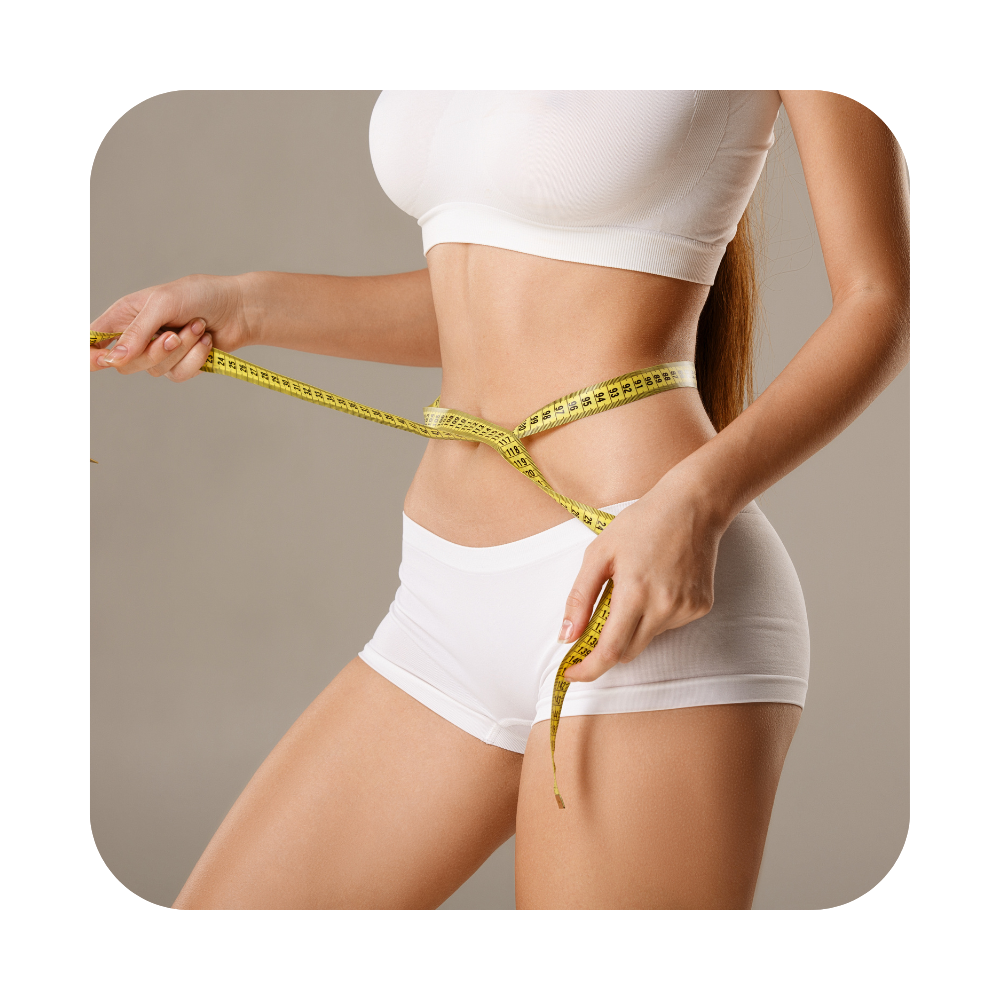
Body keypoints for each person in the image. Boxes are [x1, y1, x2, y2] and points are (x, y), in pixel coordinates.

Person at [90, 91, 909, 910]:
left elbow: (881, 300)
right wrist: (244, 303)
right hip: (440, 608)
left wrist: (695, 502)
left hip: (635, 591)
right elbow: (496, 305)